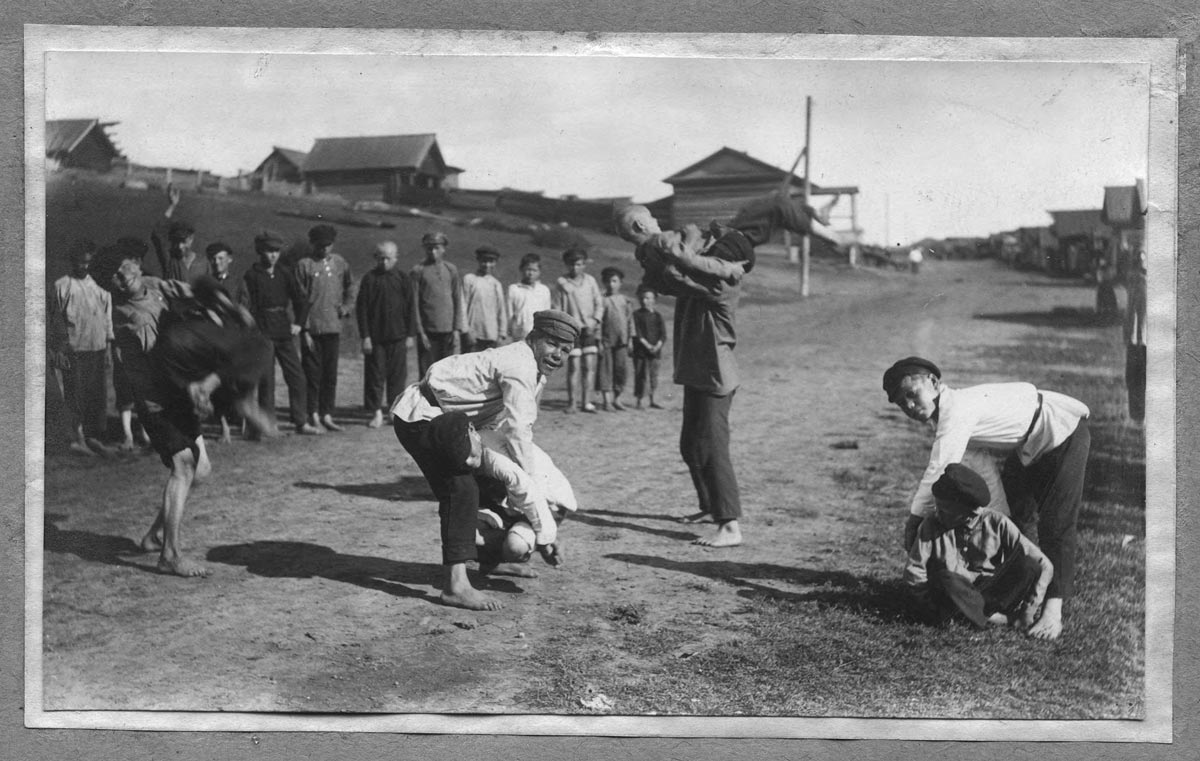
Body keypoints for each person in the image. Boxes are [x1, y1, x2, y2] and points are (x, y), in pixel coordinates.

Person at [882, 356, 1091, 640]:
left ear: (933, 383)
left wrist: (914, 520)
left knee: (1056, 524)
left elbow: (940, 468)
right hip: (1027, 446)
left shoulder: (956, 410)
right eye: (900, 402)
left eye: (911, 394)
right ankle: (1011, 592)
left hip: (1061, 431)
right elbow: (979, 465)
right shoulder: (946, 416)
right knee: (1014, 518)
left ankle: (1053, 611)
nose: (908, 405)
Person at [97, 243, 274, 578]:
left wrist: (229, 309)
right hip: (156, 401)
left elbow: (195, 292)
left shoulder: (155, 283)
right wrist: (201, 384)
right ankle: (171, 555)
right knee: (184, 465)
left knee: (200, 470)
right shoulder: (129, 318)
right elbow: (164, 364)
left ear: (134, 264)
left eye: (124, 269)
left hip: (177, 394)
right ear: (110, 286)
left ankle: (154, 536)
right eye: (114, 278)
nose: (123, 278)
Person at [391, 309, 579, 610]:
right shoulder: (520, 364)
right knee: (460, 488)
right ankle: (455, 586)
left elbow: (506, 426)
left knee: (490, 484)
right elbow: (517, 432)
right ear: (534, 338)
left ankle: (490, 561)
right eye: (553, 344)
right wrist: (538, 505)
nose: (558, 354)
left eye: (566, 350)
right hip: (424, 416)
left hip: (459, 423)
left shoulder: (535, 369)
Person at [904, 463, 1054, 631]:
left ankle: (980, 616)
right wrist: (929, 608)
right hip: (954, 594)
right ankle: (998, 619)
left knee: (1029, 565)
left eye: (945, 510)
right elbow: (915, 571)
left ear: (971, 514)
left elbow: (1044, 564)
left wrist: (1029, 610)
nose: (938, 514)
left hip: (991, 593)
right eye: (937, 507)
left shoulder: (997, 523)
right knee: (946, 578)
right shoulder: (931, 524)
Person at [235, 229, 319, 435]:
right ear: (259, 251)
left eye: (276, 251)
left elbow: (303, 299)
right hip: (262, 333)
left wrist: (298, 323)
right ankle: (268, 424)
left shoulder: (284, 273)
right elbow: (243, 306)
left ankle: (301, 420)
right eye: (268, 251)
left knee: (297, 376)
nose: (273, 255)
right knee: (267, 381)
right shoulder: (252, 275)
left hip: (283, 330)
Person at [48, 239, 113, 456]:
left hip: (97, 348)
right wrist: (58, 349)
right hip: (75, 351)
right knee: (76, 395)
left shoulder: (99, 288)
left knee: (96, 395)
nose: (83, 266)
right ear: (73, 262)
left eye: (87, 262)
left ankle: (93, 436)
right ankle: (77, 438)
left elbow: (107, 320)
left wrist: (108, 348)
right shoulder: (62, 286)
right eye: (80, 262)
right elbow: (56, 320)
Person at [295, 224, 354, 432]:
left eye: (328, 245)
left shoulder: (340, 263)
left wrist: (346, 307)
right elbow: (299, 301)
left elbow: (350, 287)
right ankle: (312, 414)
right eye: (320, 246)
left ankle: (327, 413)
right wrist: (304, 330)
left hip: (333, 328)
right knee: (312, 375)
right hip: (312, 330)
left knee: (330, 375)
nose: (325, 250)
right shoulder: (304, 265)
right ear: (313, 244)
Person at [356, 240, 416, 428]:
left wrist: (410, 335)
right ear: (376, 258)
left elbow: (410, 308)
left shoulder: (403, 278)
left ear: (396, 258)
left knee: (397, 377)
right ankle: (376, 413)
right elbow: (362, 309)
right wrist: (365, 336)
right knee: (375, 376)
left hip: (398, 337)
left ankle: (393, 411)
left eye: (388, 258)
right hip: (376, 339)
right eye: (381, 258)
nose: (384, 262)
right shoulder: (369, 279)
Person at [552, 248, 604, 413]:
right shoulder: (562, 283)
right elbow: (557, 308)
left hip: (589, 330)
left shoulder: (590, 281)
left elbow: (599, 304)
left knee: (589, 366)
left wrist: (595, 322)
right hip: (572, 332)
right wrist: (565, 328)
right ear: (567, 265)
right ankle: (572, 402)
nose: (576, 268)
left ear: (584, 265)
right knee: (573, 366)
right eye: (572, 264)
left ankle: (586, 402)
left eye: (579, 264)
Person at [411, 231, 465, 377]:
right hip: (428, 332)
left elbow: (457, 299)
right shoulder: (418, 271)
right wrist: (420, 332)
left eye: (437, 248)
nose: (433, 252)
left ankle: (444, 401)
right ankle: (426, 400)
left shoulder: (451, 269)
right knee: (427, 372)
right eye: (429, 248)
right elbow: (414, 304)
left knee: (446, 372)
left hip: (448, 331)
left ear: (443, 249)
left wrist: (456, 329)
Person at [151, 185, 211, 284]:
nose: (179, 246)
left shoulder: (203, 263)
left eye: (183, 241)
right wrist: (172, 206)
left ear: (191, 239)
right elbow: (157, 232)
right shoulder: (169, 259)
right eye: (176, 242)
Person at [596, 266, 633, 411]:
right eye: (608, 281)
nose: (611, 284)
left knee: (621, 370)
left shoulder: (625, 300)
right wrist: (598, 340)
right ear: (604, 283)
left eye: (614, 281)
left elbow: (630, 321)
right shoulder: (602, 300)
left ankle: (617, 398)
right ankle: (607, 401)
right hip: (606, 341)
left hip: (622, 341)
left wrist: (630, 340)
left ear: (620, 283)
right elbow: (598, 323)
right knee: (606, 370)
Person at [461, 245, 509, 353]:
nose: (487, 265)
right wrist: (466, 331)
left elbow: (501, 311)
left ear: (495, 263)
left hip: (491, 335)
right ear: (478, 261)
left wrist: (501, 334)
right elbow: (462, 306)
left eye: (491, 261)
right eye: (484, 261)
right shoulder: (469, 279)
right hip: (473, 335)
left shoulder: (496, 284)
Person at [631, 284, 666, 410]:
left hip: (655, 352)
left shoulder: (657, 316)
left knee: (653, 375)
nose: (645, 301)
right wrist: (646, 345)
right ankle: (640, 400)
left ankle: (653, 399)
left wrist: (657, 346)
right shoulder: (636, 315)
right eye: (643, 298)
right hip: (641, 351)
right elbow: (637, 332)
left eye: (648, 298)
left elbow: (663, 334)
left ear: (654, 300)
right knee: (641, 375)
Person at [1123, 247, 1147, 422]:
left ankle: (1141, 413)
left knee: (1142, 378)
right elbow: (1129, 313)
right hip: (1134, 340)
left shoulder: (1147, 284)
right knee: (1133, 378)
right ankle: (1136, 414)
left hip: (1145, 340)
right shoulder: (1133, 284)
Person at [507, 253, 553, 341]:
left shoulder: (544, 290)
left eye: (534, 270)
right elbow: (509, 314)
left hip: (539, 336)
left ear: (539, 272)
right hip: (519, 336)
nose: (530, 273)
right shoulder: (514, 289)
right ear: (521, 269)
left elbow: (547, 314)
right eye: (528, 269)